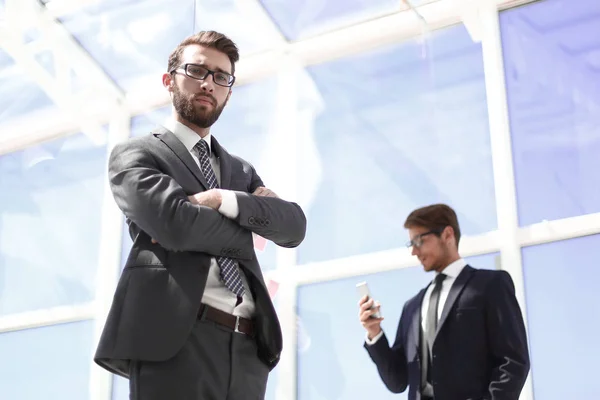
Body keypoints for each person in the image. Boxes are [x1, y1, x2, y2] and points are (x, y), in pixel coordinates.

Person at [94, 30, 307, 400]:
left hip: (248, 349)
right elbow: (175, 226)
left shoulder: (239, 172)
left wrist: (222, 199)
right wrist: (249, 224)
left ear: (228, 90)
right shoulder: (136, 155)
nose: (209, 83)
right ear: (169, 80)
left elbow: (293, 227)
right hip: (176, 341)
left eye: (221, 77)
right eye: (197, 71)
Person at [358, 204, 529, 400]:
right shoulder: (412, 307)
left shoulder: (490, 285)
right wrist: (374, 333)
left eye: (419, 241)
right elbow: (397, 381)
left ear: (448, 235)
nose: (413, 251)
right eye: (410, 244)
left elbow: (513, 361)